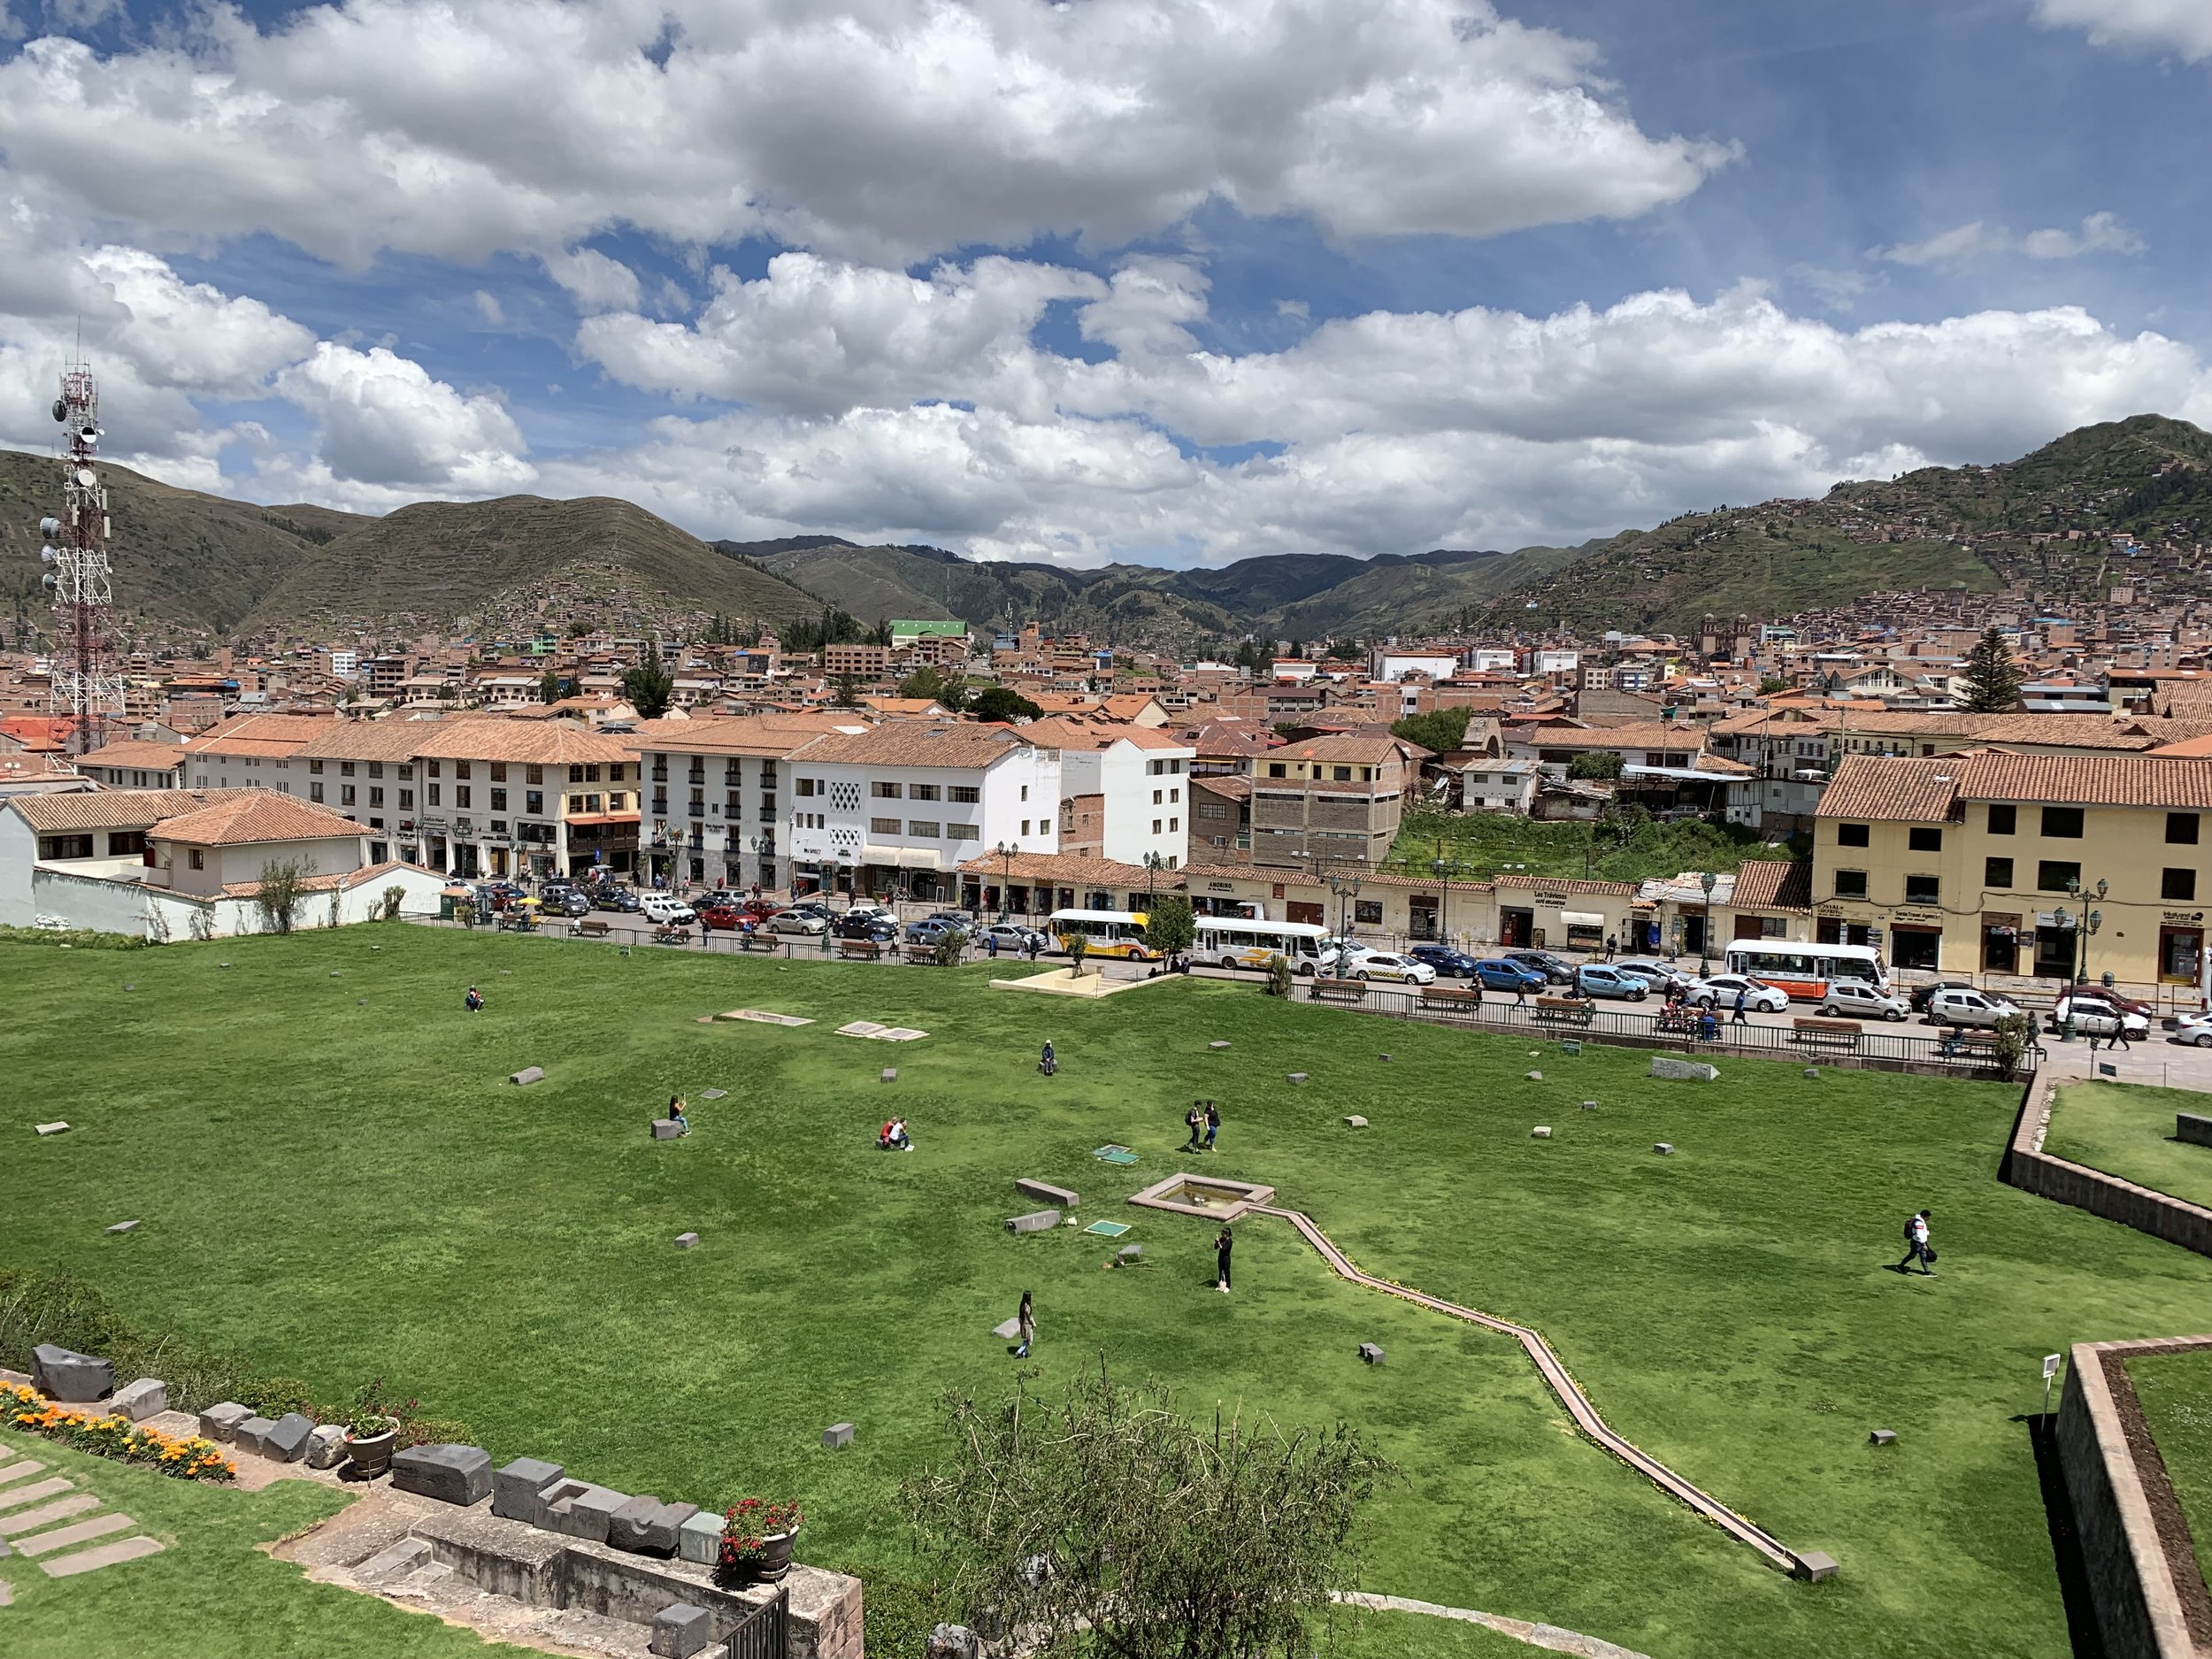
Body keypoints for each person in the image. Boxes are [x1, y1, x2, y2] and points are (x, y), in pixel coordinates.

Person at [1895, 1210, 1935, 1276]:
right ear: (1923, 1216)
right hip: (1917, 1243)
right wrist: (1924, 1244)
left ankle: (1927, 1271)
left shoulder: (1920, 1221)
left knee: (1923, 1256)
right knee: (1912, 1256)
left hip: (1920, 1242)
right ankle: (1900, 1266)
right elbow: (1919, 1235)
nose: (1928, 1219)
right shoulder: (1919, 1223)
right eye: (1927, 1217)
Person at [1015, 1290, 1034, 1358]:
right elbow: (1029, 1317)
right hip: (1027, 1325)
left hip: (1023, 1324)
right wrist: (1033, 1324)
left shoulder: (1022, 1305)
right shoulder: (1027, 1307)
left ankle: (1025, 1353)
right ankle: (1019, 1352)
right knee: (1028, 1340)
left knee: (1025, 1339)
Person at [1215, 1225, 1233, 1293]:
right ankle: (1220, 1285)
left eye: (1223, 1234)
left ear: (1227, 1234)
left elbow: (1223, 1248)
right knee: (1220, 1270)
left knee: (1226, 1271)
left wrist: (1219, 1242)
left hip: (1226, 1258)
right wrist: (1216, 1242)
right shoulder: (1222, 1239)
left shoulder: (1229, 1241)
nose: (1222, 1235)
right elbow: (1216, 1247)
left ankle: (1228, 1286)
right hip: (1221, 1257)